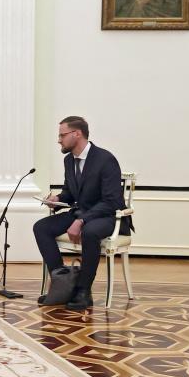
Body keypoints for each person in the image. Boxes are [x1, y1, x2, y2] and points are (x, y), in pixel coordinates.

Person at [34, 116, 132, 311]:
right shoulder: (69, 160)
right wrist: (57, 200)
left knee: (90, 232)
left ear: (77, 134)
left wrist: (81, 220)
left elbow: (111, 201)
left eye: (62, 135)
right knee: (41, 227)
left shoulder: (106, 159)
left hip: (109, 216)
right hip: (83, 212)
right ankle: (63, 283)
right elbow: (71, 193)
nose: (59, 140)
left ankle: (83, 291)